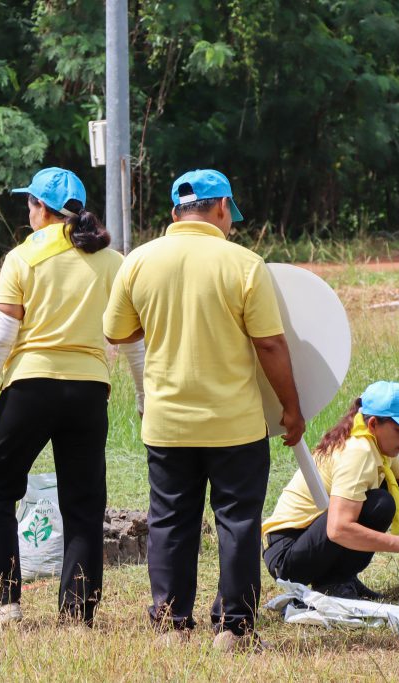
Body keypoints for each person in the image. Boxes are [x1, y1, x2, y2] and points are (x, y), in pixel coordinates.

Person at [103, 169, 304, 653]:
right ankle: (234, 630)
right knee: (237, 522)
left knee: (170, 520)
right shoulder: (243, 264)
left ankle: (171, 623)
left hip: (167, 423)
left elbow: (116, 332)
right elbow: (271, 345)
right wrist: (291, 408)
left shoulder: (139, 262)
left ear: (175, 213)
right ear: (221, 208)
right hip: (234, 424)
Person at [0, 167, 141, 627]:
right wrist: (144, 398)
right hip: (89, 393)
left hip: (30, 388)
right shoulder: (114, 262)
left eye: (30, 203)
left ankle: (7, 604)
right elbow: (134, 342)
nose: (29, 211)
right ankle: (77, 614)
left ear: (40, 208)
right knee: (84, 502)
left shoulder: (24, 257)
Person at [262, 381, 399, 599]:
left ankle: (338, 579)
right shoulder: (358, 451)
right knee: (381, 503)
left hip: (308, 541)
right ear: (374, 424)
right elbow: (338, 529)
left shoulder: (377, 443)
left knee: (394, 490)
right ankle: (335, 582)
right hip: (288, 559)